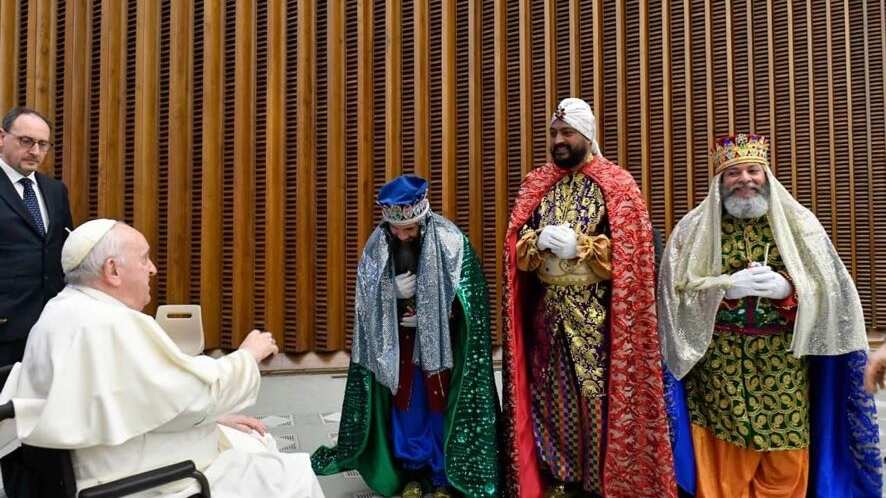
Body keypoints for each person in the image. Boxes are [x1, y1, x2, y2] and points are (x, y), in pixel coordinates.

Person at [0, 219, 324, 497]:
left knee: (247, 439)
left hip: (101, 459)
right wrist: (248, 355)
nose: (153, 269)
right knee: (292, 474)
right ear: (112, 270)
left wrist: (215, 419)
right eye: (144, 259)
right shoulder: (114, 325)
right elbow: (197, 396)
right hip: (133, 477)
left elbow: (130, 399)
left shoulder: (63, 311)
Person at [658, 133, 882, 497]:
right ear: (719, 182)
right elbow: (674, 293)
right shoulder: (691, 230)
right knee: (722, 467)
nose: (744, 179)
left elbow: (832, 290)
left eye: (752, 170)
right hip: (719, 371)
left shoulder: (799, 224)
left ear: (767, 176)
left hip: (784, 366)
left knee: (786, 466)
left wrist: (788, 289)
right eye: (733, 173)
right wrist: (723, 288)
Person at [501, 97, 676, 498]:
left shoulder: (618, 185)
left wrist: (581, 246)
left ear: (587, 135)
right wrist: (533, 241)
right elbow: (517, 253)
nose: (559, 140)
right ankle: (559, 477)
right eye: (554, 133)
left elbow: (636, 255)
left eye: (567, 133)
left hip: (598, 320)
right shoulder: (536, 185)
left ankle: (599, 483)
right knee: (550, 398)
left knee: (594, 402)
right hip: (547, 317)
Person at [312, 175, 500, 498]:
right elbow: (364, 304)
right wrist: (391, 294)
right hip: (399, 350)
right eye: (396, 230)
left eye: (409, 229)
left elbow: (472, 301)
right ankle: (412, 474)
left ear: (423, 220)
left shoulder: (451, 242)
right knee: (406, 411)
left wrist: (436, 313)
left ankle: (441, 476)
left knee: (439, 410)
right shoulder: (378, 245)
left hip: (441, 351)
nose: (402, 236)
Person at [0, 106, 73, 497]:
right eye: (26, 141)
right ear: (2, 138)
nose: (35, 151)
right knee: (10, 426)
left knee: (48, 418)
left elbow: (64, 250)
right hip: (6, 329)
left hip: (50, 328)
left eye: (42, 144)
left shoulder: (53, 190)